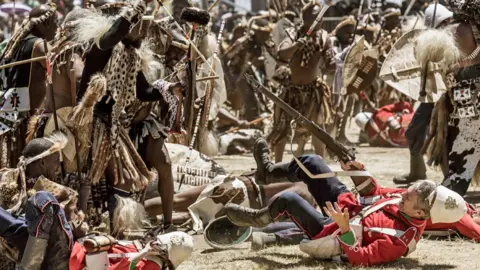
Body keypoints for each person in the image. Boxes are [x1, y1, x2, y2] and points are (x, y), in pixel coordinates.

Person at [224, 138, 467, 266]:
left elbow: (359, 258)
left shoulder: (399, 241)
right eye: (407, 192)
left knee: (288, 199)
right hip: (348, 209)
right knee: (312, 162)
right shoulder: (407, 198)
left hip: (333, 233)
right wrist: (357, 171)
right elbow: (376, 192)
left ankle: (257, 218)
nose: (402, 195)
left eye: (408, 198)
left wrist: (343, 227)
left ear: (422, 213)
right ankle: (268, 171)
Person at [69, 0, 180, 228]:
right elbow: (115, 32)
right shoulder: (102, 46)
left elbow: (142, 91)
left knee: (121, 181)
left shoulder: (132, 56)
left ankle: (115, 231)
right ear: (126, 25)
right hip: (91, 123)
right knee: (96, 179)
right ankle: (87, 227)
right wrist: (137, 6)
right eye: (139, 24)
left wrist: (166, 89)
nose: (144, 30)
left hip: (112, 125)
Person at [0, 133, 88, 269]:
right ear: (42, 162)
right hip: (43, 257)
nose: (58, 167)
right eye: (56, 161)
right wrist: (83, 201)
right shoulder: (60, 192)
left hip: (12, 250)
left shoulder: (5, 178)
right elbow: (78, 231)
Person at [393, 3, 453, 184]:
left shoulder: (455, 37)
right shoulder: (428, 40)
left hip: (450, 96)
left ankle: (450, 178)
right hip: (432, 97)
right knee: (414, 131)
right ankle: (417, 172)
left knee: (447, 135)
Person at [268, 2, 335, 162]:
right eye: (313, 18)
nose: (317, 22)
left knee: (318, 129)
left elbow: (329, 64)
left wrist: (335, 62)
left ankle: (320, 165)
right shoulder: (292, 34)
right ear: (304, 19)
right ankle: (276, 166)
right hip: (290, 89)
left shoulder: (325, 37)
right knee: (281, 128)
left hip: (313, 90)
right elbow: (281, 55)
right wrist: (296, 46)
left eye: (319, 18)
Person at [0, 3, 58, 168]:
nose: (57, 27)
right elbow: (60, 67)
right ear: (45, 23)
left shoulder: (18, 42)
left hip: (10, 111)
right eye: (55, 22)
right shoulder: (40, 46)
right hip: (25, 119)